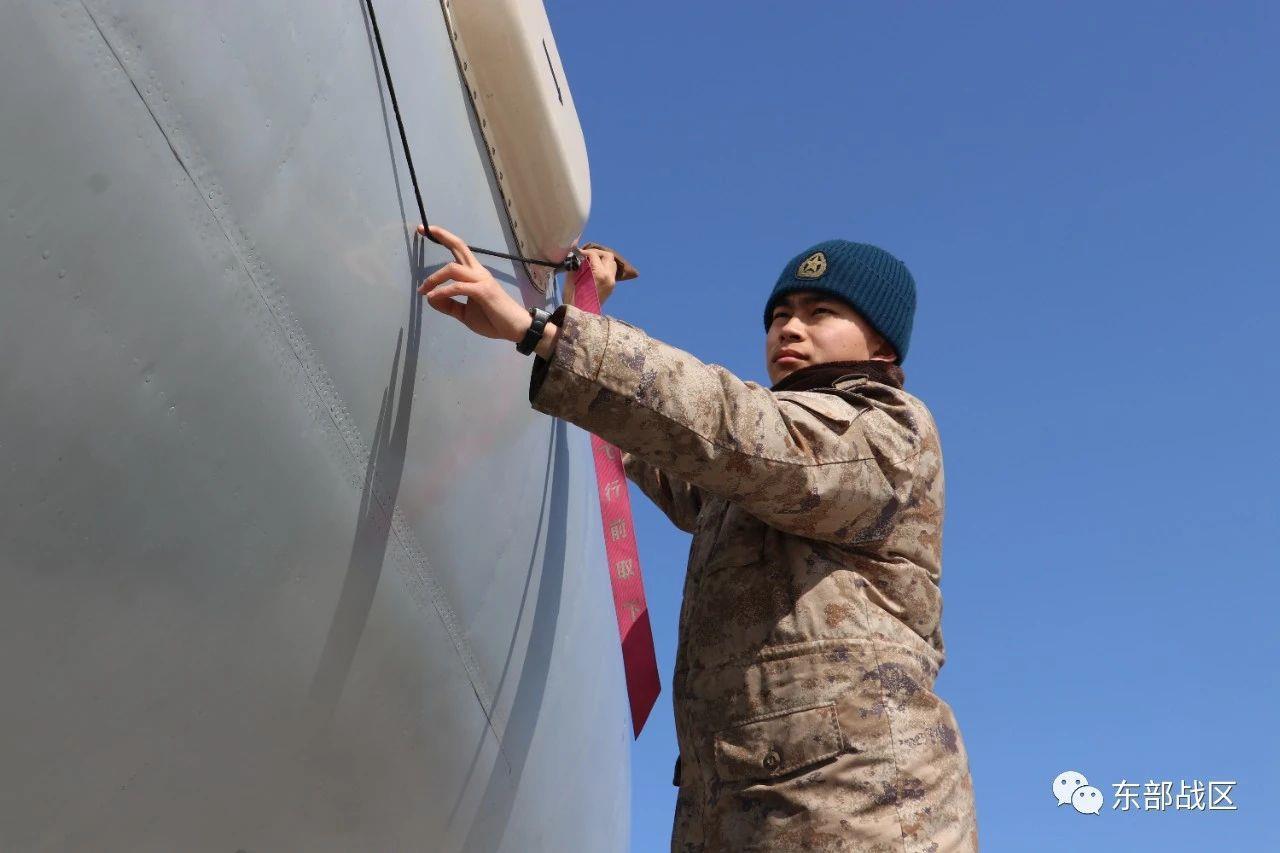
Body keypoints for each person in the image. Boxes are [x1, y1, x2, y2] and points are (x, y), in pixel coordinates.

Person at [416, 224, 980, 851]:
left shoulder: (887, 431)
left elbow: (734, 428)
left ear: (881, 345)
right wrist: (581, 310)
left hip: (859, 814)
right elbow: (668, 439)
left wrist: (541, 330)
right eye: (780, 315)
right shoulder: (753, 465)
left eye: (821, 313)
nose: (790, 329)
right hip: (740, 810)